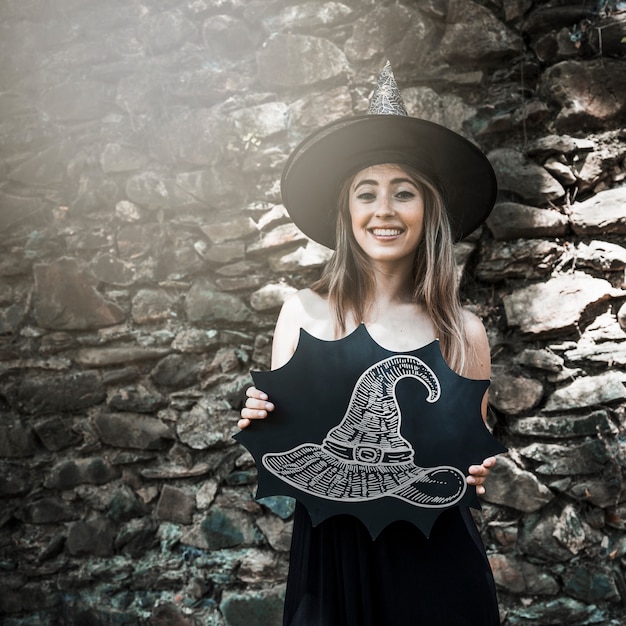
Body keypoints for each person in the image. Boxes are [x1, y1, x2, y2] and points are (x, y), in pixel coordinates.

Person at [238, 62, 501, 625]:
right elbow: (285, 446)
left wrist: (474, 474)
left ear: (426, 209)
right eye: (366, 193)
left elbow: (467, 465)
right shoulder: (302, 314)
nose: (383, 209)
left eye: (403, 192)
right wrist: (259, 417)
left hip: (436, 567)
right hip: (331, 571)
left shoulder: (463, 332)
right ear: (347, 211)